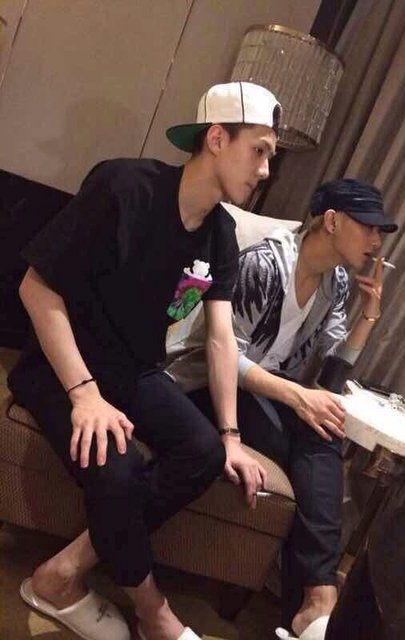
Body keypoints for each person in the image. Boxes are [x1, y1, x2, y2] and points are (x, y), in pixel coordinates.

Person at [8, 81, 281, 640]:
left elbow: (221, 340)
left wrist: (230, 435)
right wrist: (84, 394)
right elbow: (36, 289)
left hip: (135, 371)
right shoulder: (123, 187)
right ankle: (153, 610)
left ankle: (61, 574)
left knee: (203, 452)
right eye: (259, 150)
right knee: (118, 469)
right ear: (216, 138)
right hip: (62, 365)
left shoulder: (221, 235)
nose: (265, 170)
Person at [166, 178, 399, 640]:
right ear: (331, 221)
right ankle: (313, 601)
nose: (376, 241)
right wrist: (296, 396)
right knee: (309, 440)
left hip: (261, 393)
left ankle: (313, 602)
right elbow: (221, 355)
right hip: (204, 383)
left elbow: (331, 374)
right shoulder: (264, 265)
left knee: (325, 431)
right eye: (369, 227)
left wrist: (369, 316)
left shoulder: (335, 283)